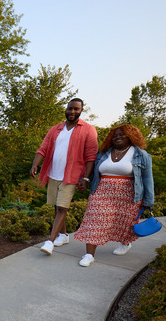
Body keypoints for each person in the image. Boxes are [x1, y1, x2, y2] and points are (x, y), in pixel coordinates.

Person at [73, 124, 155, 267]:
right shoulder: (103, 154)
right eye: (115, 135)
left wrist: (149, 199)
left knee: (125, 222)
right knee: (95, 220)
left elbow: (148, 178)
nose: (118, 137)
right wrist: (84, 180)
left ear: (131, 137)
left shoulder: (141, 155)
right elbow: (93, 173)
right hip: (101, 192)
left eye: (122, 134)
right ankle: (89, 255)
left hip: (128, 195)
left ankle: (125, 243)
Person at [31, 98, 98, 255]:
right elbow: (43, 149)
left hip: (72, 176)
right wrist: (35, 164)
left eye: (76, 109)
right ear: (66, 109)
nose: (72, 112)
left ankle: (50, 241)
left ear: (81, 110)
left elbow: (90, 157)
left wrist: (86, 178)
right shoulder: (55, 129)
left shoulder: (88, 130)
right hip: (54, 173)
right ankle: (63, 235)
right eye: (70, 108)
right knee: (56, 206)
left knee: (62, 207)